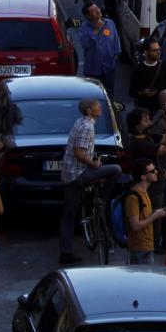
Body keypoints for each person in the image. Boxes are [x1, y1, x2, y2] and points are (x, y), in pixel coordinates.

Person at [60, 98, 122, 265]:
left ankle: (65, 252)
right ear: (89, 110)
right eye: (96, 106)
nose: (99, 107)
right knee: (116, 170)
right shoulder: (88, 127)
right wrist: (93, 163)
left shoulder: (80, 122)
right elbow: (80, 153)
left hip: (68, 174)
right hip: (78, 173)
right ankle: (102, 198)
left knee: (69, 213)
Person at [123, 158, 166, 265]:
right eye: (152, 171)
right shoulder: (133, 198)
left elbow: (143, 216)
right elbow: (135, 226)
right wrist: (154, 216)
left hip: (147, 246)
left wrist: (156, 212)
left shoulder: (144, 192)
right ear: (143, 177)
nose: (156, 172)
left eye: (155, 169)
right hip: (139, 248)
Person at [78, 2, 121, 96]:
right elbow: (85, 44)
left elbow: (116, 42)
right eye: (93, 11)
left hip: (109, 69)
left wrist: (115, 57)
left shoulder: (109, 23)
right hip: (93, 70)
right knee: (94, 95)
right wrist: (96, 30)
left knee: (109, 95)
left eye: (97, 8)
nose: (97, 11)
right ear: (88, 16)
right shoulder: (84, 28)